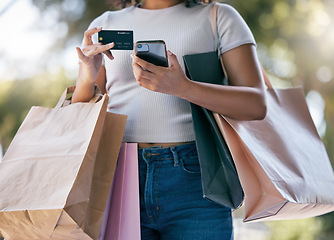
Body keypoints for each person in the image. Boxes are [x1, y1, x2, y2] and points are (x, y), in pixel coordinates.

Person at [72, 0, 267, 239]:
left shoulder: (218, 17)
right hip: (117, 174)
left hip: (197, 178)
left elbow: (256, 105)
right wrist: (86, 76)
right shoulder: (105, 24)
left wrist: (183, 87)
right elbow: (79, 117)